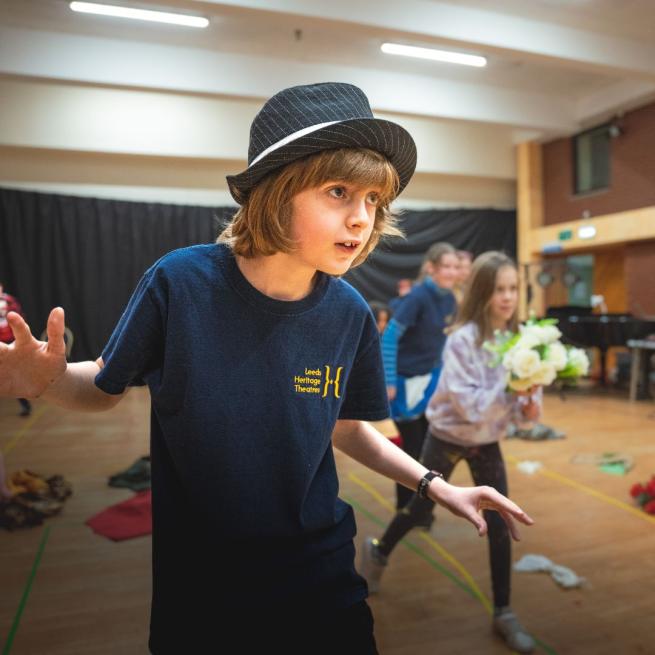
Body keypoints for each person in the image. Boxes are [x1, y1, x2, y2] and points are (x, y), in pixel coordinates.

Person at [0, 83, 533, 654]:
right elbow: (105, 387)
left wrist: (433, 485)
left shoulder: (349, 313)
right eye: (339, 191)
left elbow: (348, 429)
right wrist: (50, 381)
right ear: (277, 191)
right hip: (203, 581)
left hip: (323, 571)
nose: (361, 218)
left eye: (373, 200)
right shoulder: (181, 283)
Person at [360, 251, 539, 653]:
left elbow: (525, 418)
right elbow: (469, 405)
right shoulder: (460, 340)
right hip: (447, 435)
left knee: (500, 522)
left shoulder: (519, 340)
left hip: (487, 440)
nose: (507, 297)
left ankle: (504, 612)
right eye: (498, 289)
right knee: (420, 510)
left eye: (513, 288)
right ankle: (378, 551)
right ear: (480, 292)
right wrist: (512, 388)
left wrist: (529, 401)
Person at [382, 242, 459, 512]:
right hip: (405, 384)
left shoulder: (450, 298)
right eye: (446, 267)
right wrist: (389, 380)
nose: (452, 272)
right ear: (431, 268)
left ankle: (421, 508)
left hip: (430, 383)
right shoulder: (416, 297)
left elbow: (442, 342)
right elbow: (389, 337)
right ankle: (405, 509)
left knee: (430, 450)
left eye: (455, 267)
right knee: (410, 453)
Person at [0, 282, 32, 417]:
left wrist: (6, 311)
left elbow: (20, 319)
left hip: (11, 341)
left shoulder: (9, 301)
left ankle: (26, 406)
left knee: (15, 374)